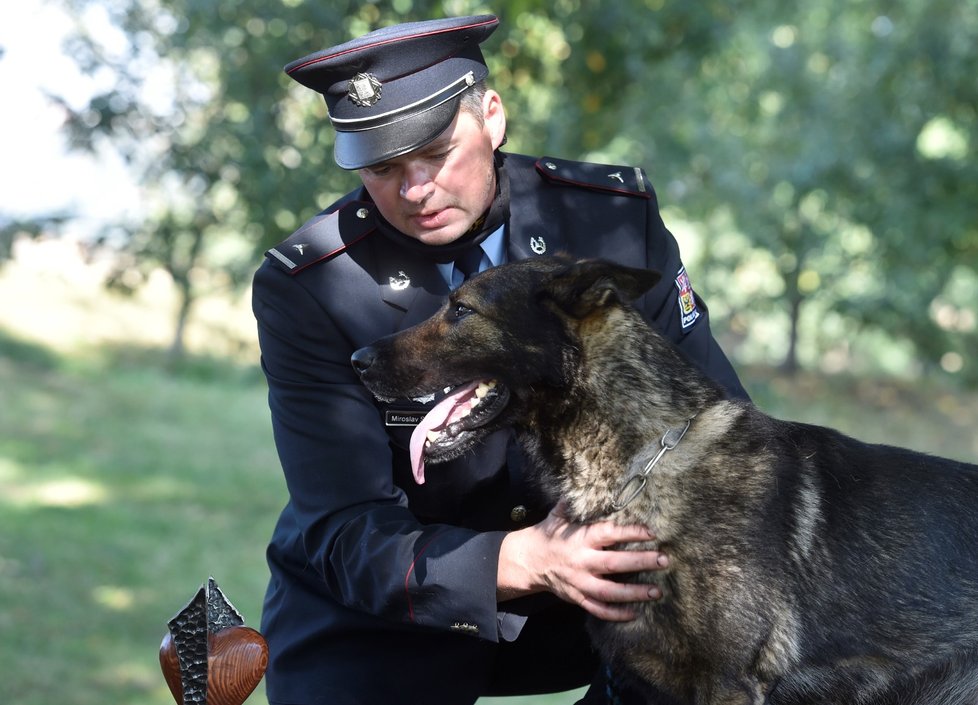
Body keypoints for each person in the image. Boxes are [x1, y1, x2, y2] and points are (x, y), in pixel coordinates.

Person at [252, 13, 748, 705]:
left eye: (435, 151)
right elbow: (343, 527)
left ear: (491, 115)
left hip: (598, 603)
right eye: (384, 167)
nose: (415, 188)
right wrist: (520, 559)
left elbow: (716, 422)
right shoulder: (312, 285)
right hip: (382, 619)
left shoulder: (609, 219)